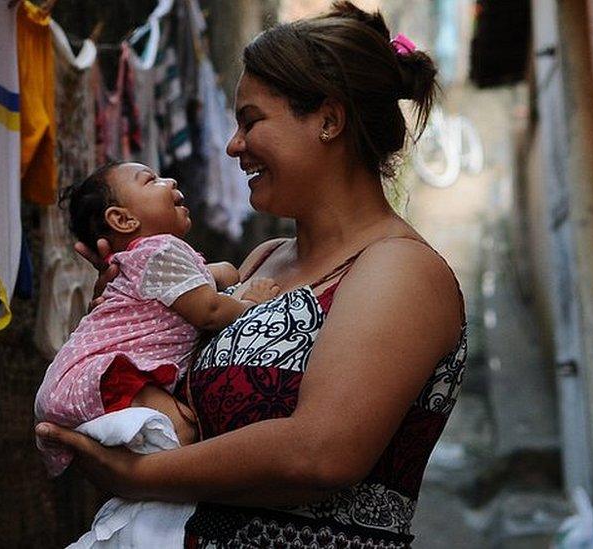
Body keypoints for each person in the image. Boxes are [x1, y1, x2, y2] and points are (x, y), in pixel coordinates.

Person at [36, 3, 468, 547]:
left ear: (329, 121)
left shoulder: (400, 271)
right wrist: (132, 301)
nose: (232, 145)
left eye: (251, 121)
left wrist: (138, 477)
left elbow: (320, 454)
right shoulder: (265, 260)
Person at [34, 160, 279, 477]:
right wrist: (249, 303)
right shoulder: (161, 251)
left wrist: (221, 275)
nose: (171, 180)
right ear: (123, 219)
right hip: (109, 375)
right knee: (185, 435)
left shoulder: (148, 258)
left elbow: (218, 274)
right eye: (150, 180)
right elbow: (209, 311)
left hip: (89, 380)